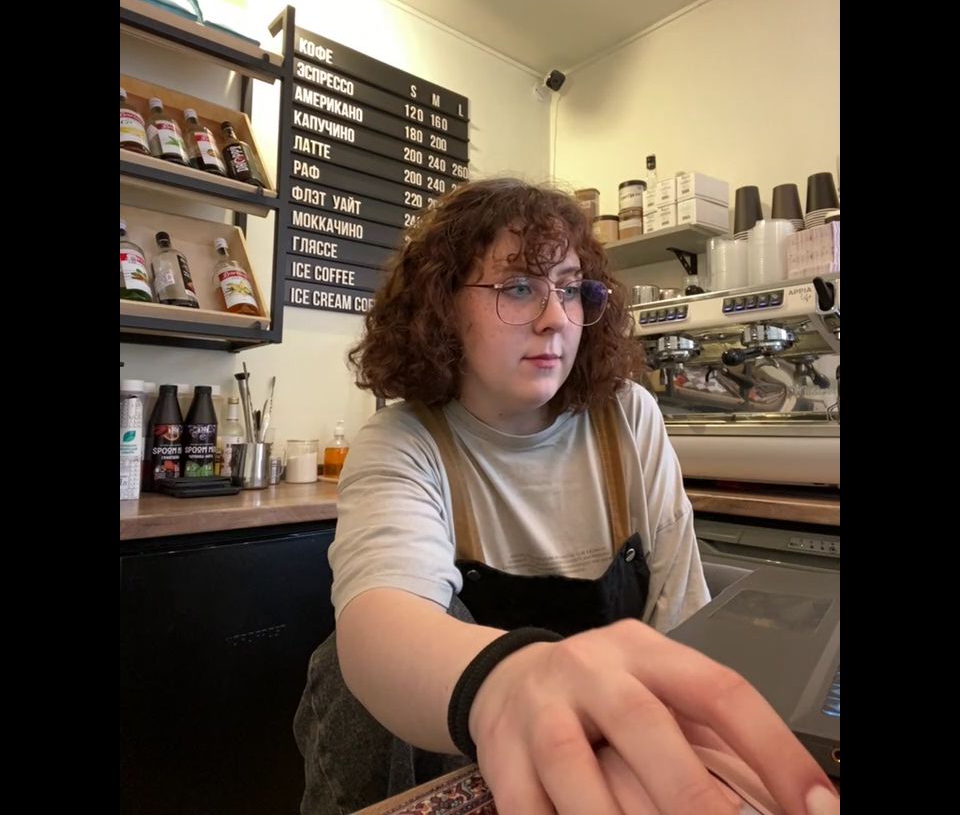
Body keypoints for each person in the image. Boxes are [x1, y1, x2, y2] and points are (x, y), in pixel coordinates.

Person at [294, 177, 839, 815]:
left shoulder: (628, 417)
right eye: (518, 288)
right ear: (440, 308)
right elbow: (379, 627)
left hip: (608, 748)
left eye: (572, 288)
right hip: (452, 757)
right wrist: (509, 685)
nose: (557, 317)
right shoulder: (403, 441)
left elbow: (678, 620)